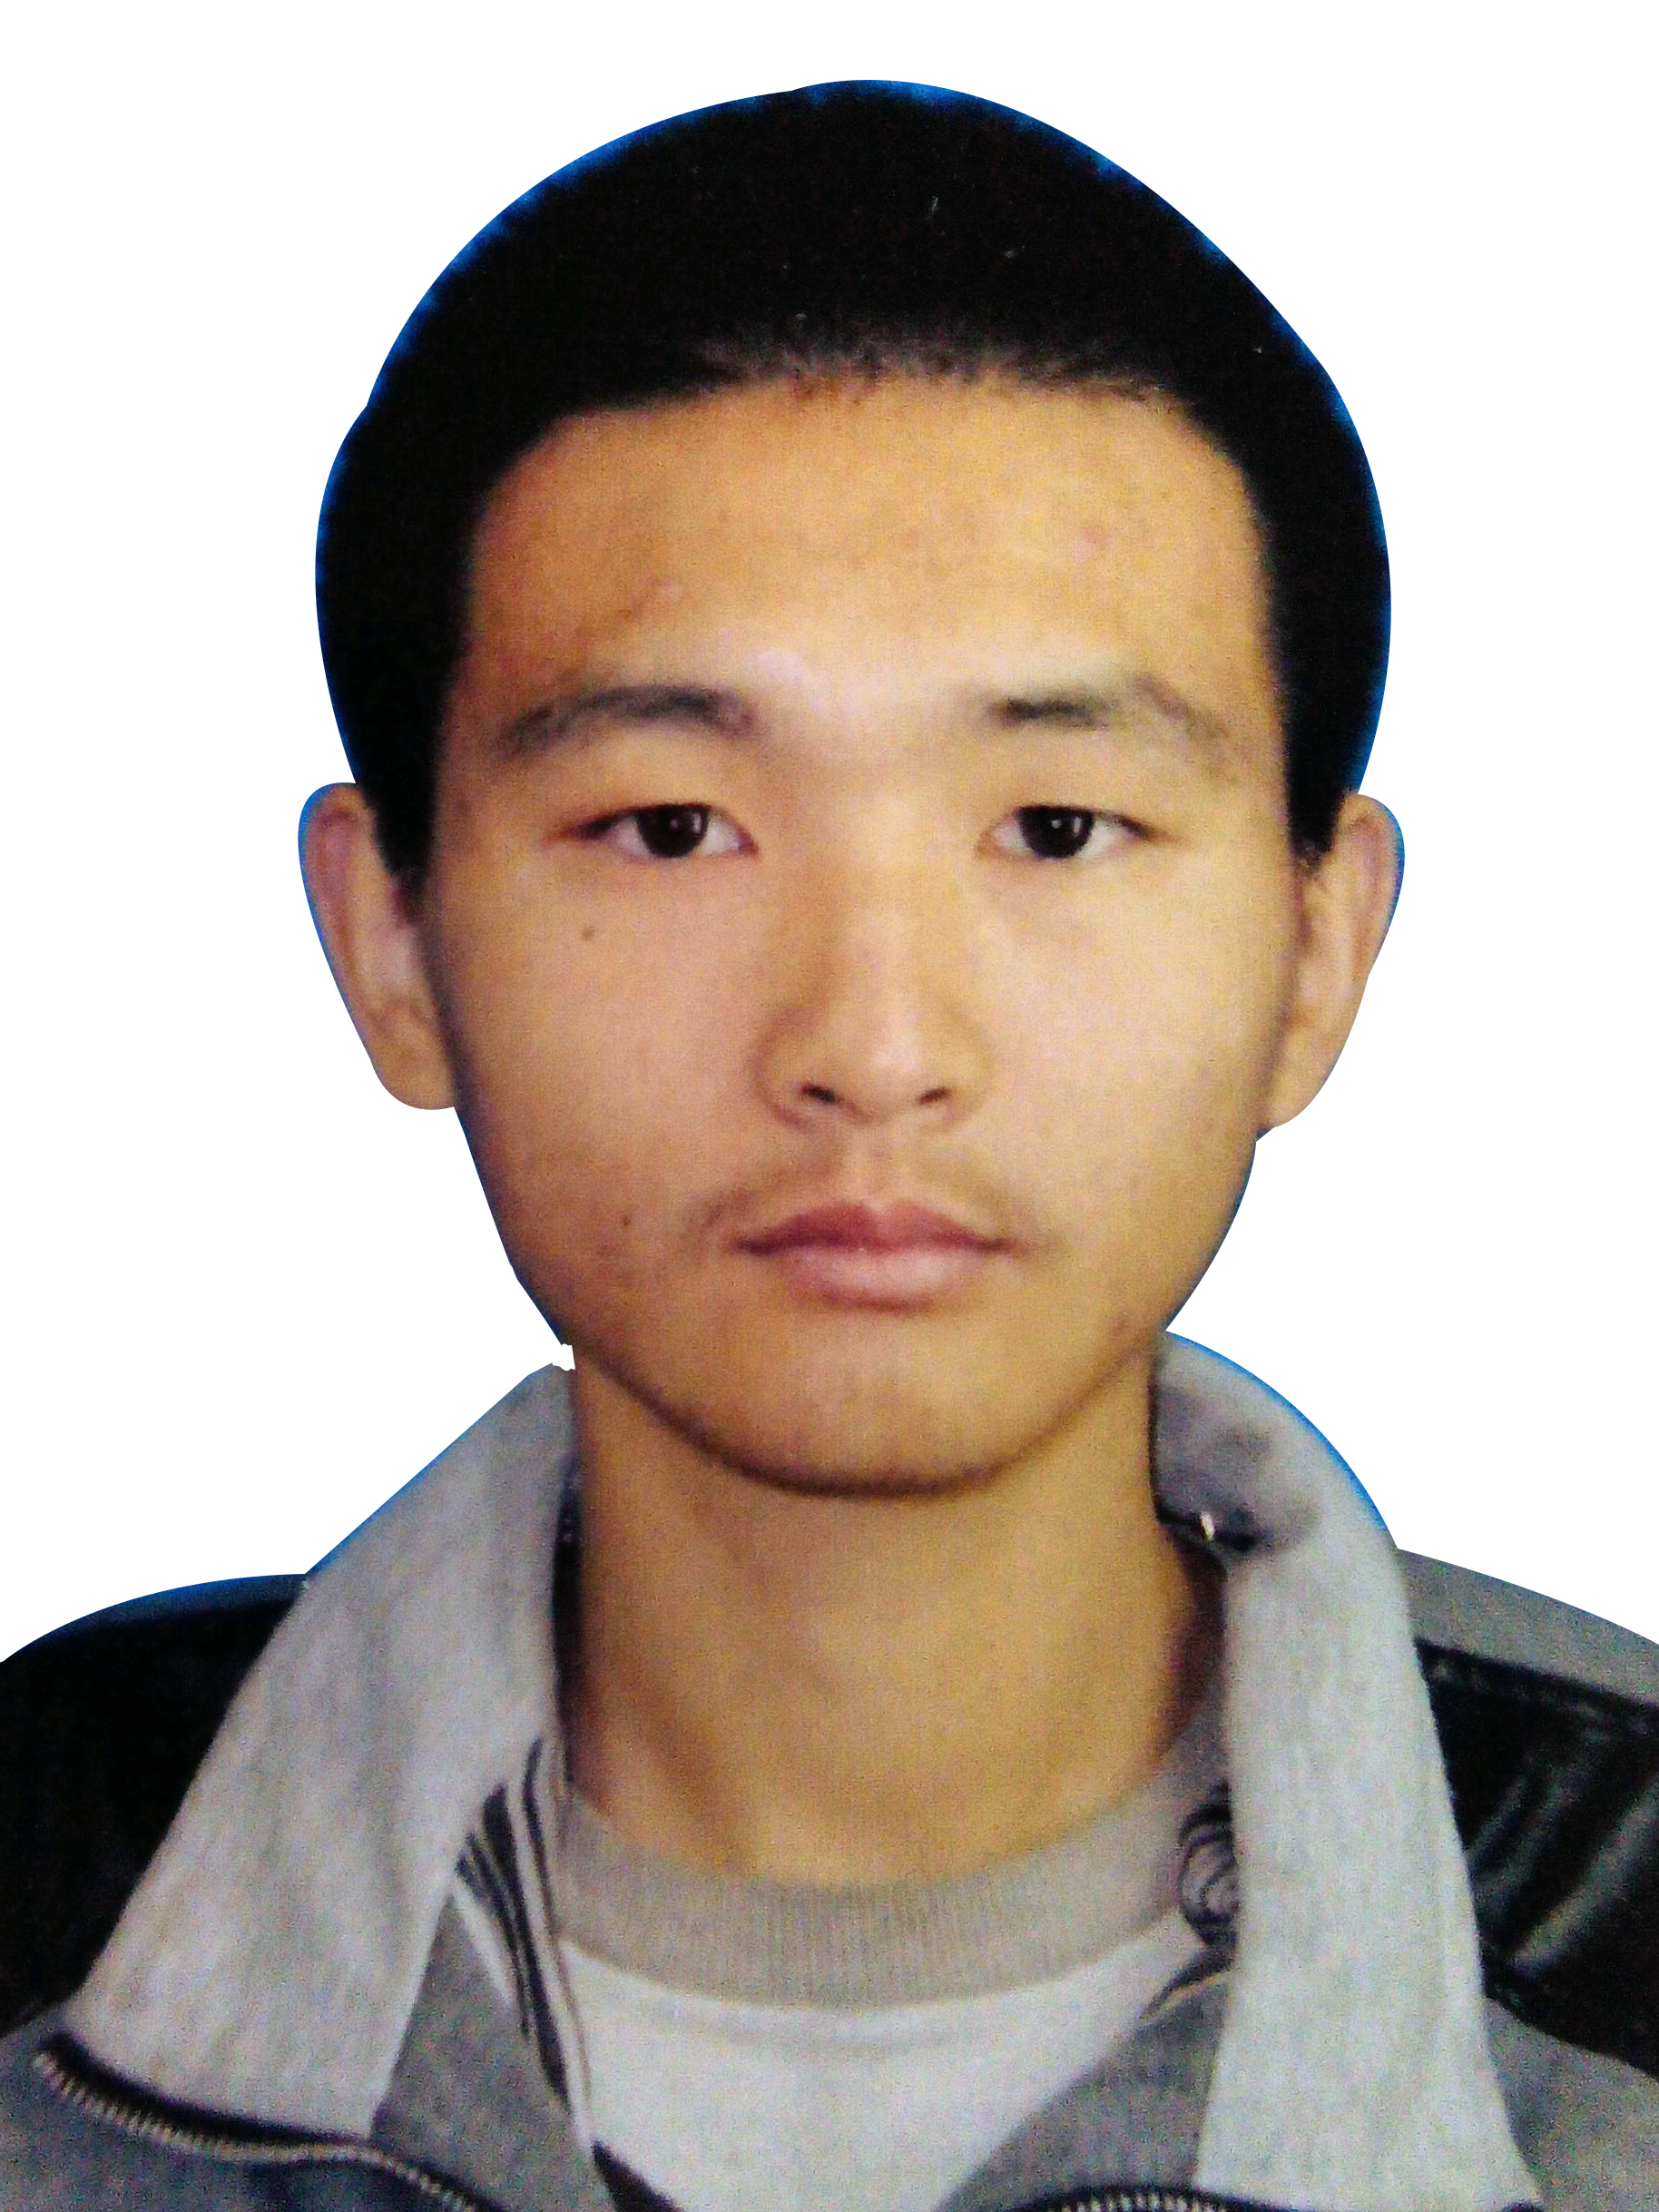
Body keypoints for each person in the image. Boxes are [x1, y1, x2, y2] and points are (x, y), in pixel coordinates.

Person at [1, 79, 1654, 2212]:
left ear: (1314, 954)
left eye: (1054, 827)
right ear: (390, 944)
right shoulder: (47, 1899)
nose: (871, 1047)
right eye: (669, 827)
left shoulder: (1618, 1938)